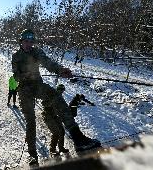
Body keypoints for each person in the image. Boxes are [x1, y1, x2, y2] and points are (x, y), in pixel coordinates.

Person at [12, 29, 100, 165]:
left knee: (56, 97)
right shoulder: (16, 56)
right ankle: (32, 155)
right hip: (24, 89)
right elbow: (16, 76)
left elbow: (48, 62)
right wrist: (27, 75)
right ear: (21, 42)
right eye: (26, 41)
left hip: (37, 85)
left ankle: (78, 138)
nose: (28, 44)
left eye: (31, 41)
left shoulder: (37, 52)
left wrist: (60, 70)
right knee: (31, 121)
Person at [41, 84, 69, 155]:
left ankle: (61, 147)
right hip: (48, 116)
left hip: (55, 116)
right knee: (56, 132)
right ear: (57, 90)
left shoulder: (60, 97)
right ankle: (52, 149)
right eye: (60, 90)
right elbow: (44, 103)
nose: (61, 92)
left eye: (62, 91)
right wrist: (52, 101)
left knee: (62, 131)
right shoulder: (51, 95)